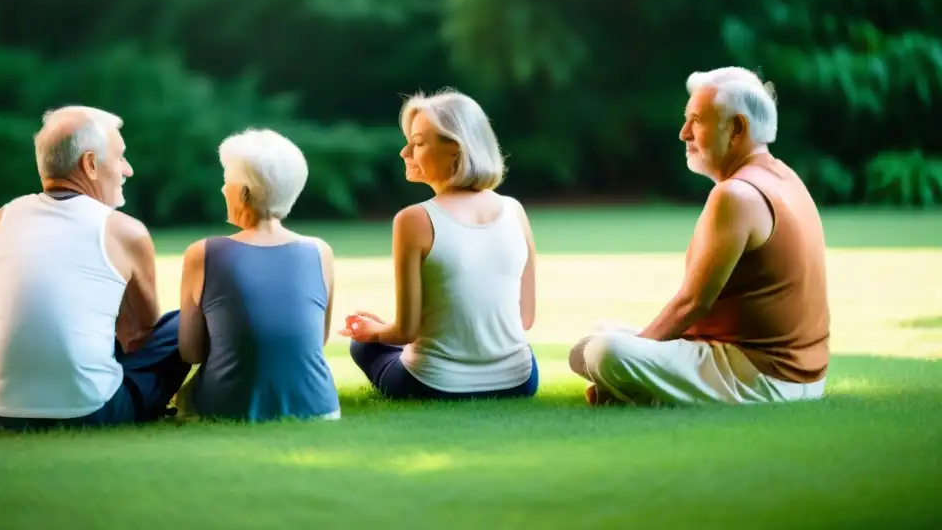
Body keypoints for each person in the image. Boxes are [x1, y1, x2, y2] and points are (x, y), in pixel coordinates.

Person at [569, 67, 831, 406]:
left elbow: (693, 303)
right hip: (800, 376)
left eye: (696, 120)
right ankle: (635, 377)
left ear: (736, 128)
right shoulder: (785, 177)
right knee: (589, 345)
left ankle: (633, 387)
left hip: (763, 378)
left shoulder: (736, 195)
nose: (683, 133)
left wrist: (637, 355)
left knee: (603, 353)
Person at [0, 106, 189, 431]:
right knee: (184, 322)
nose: (127, 170)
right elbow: (138, 337)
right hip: (91, 409)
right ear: (89, 164)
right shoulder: (125, 231)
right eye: (120, 157)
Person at [341, 90, 539, 401]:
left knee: (364, 345)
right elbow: (525, 319)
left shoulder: (413, 219)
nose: (405, 152)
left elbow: (406, 332)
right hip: (519, 381)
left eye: (418, 143)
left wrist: (374, 331)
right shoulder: (514, 210)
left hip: (434, 384)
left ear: (456, 150)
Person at [177, 128, 340, 423]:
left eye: (226, 181)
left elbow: (191, 352)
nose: (222, 189)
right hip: (320, 408)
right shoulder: (320, 251)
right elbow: (319, 339)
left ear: (242, 193)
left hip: (223, 410)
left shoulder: (202, 253)